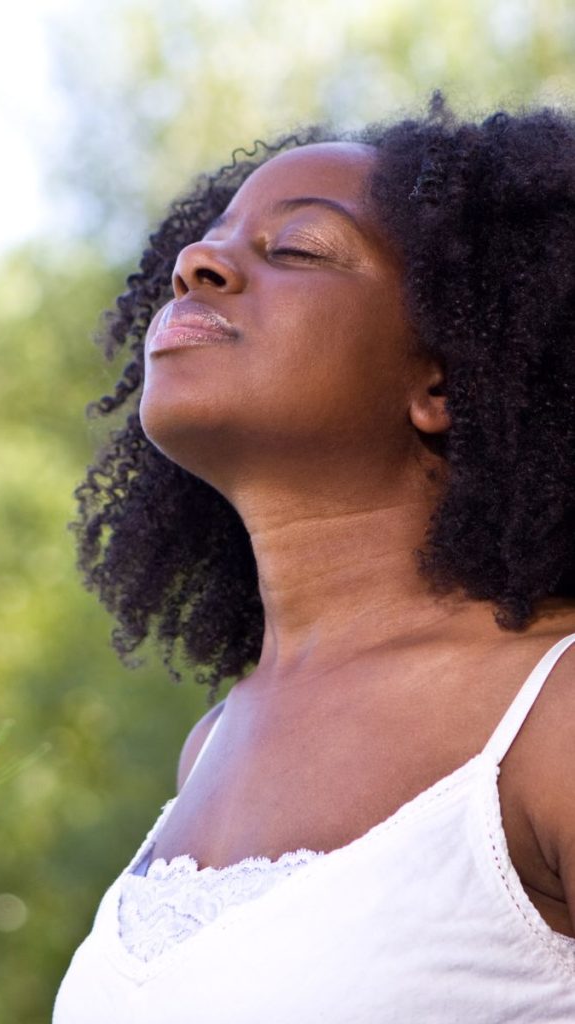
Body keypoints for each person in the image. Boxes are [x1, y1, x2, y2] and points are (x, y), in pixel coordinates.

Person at [53, 93, 575, 1021]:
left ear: (442, 379)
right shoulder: (211, 747)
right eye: (206, 244)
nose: (197, 265)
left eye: (295, 248)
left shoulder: (553, 718)